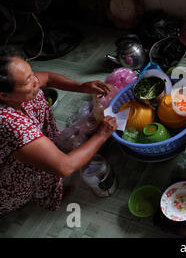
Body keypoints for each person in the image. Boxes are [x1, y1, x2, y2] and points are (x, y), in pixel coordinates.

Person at [0, 50, 118, 215]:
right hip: (9, 178)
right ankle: (42, 193)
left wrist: (81, 86)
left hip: (27, 140)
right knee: (42, 170)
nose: (35, 80)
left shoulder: (20, 87)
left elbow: (46, 78)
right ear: (4, 95)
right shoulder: (11, 124)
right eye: (28, 81)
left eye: (31, 72)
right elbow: (64, 166)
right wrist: (101, 135)